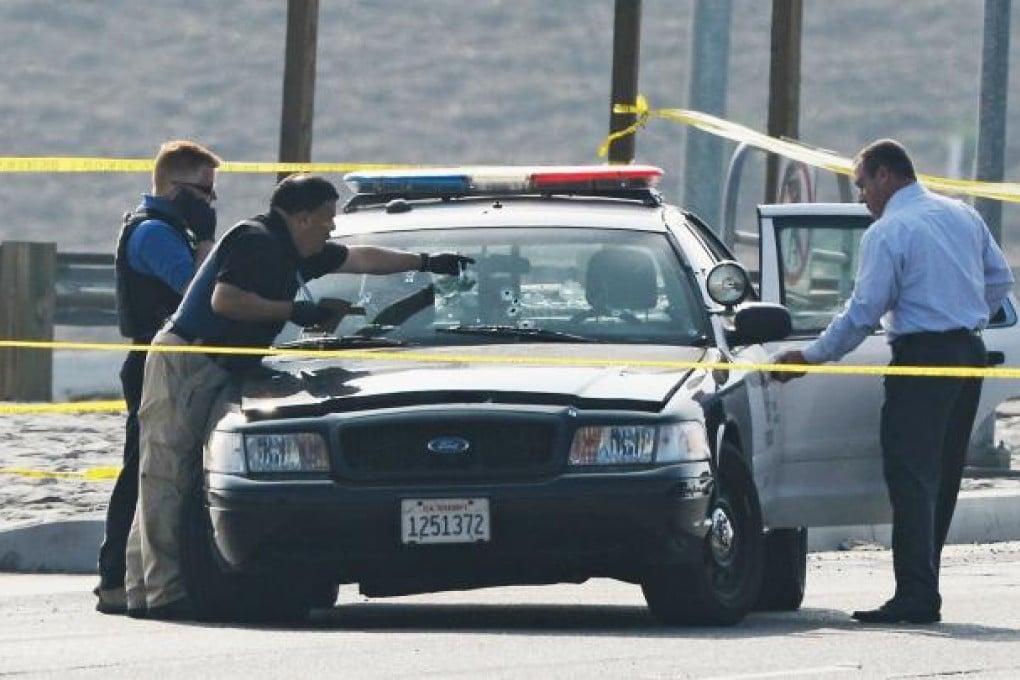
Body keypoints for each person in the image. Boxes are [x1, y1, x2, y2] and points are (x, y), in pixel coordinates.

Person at [123, 174, 472, 620]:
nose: (331, 227)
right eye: (326, 218)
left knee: (171, 474)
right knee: (167, 476)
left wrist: (426, 262)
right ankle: (164, 594)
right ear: (300, 216)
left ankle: (142, 589)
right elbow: (225, 301)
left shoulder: (294, 249)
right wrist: (297, 311)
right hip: (188, 362)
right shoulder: (258, 242)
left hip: (215, 365)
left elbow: (361, 258)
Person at [772, 139, 1014, 624]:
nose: (862, 197)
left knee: (912, 477)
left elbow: (864, 311)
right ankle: (923, 588)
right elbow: (1000, 282)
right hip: (967, 352)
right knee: (940, 478)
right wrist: (962, 315)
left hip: (923, 358)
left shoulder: (890, 231)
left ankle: (916, 596)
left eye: (863, 185)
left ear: (886, 176)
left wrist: (813, 354)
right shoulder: (961, 215)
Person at [95, 141, 221, 614]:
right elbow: (197, 290)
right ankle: (115, 577)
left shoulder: (175, 229)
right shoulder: (154, 233)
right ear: (174, 188)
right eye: (203, 191)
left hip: (164, 358)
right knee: (143, 469)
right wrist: (208, 241)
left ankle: (125, 577)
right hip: (152, 358)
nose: (210, 201)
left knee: (153, 467)